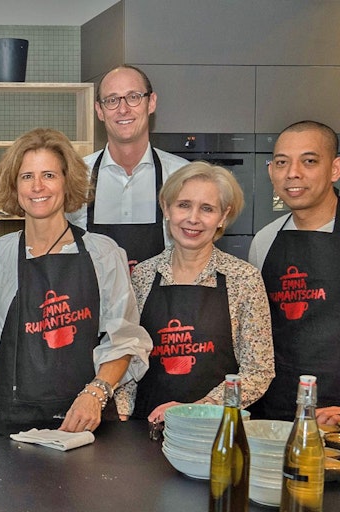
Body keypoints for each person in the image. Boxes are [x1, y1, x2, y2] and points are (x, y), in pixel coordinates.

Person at [0, 128, 151, 434]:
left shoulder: (103, 253)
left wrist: (96, 393)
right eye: (26, 176)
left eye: (49, 175)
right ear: (15, 185)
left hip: (83, 423)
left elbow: (125, 340)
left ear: (66, 181)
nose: (37, 186)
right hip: (8, 423)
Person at [126, 162, 274, 424]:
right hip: (145, 428)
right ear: (166, 207)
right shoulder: (143, 275)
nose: (193, 218)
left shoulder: (244, 279)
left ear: (223, 216)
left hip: (215, 429)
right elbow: (127, 361)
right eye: (183, 205)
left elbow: (258, 371)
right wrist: (122, 418)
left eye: (207, 209)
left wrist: (200, 408)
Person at [248, 120, 340, 424]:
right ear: (271, 172)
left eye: (309, 161)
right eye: (282, 162)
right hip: (276, 413)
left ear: (335, 169)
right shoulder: (264, 241)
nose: (293, 173)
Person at [68, 65, 189, 269]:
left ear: (151, 103)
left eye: (133, 97)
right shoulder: (77, 177)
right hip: (96, 300)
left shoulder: (180, 176)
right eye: (112, 100)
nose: (123, 109)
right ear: (99, 110)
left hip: (161, 299)